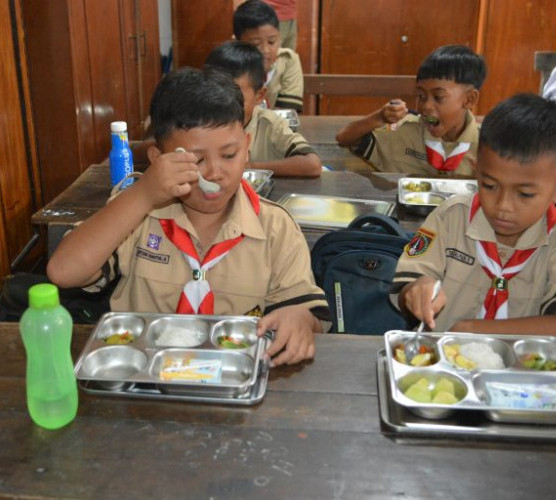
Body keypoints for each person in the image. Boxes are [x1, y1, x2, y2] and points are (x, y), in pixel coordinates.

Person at [47, 67, 329, 365]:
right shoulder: (136, 214)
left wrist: (300, 318)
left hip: (233, 379)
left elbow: (310, 316)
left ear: (246, 148)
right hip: (142, 376)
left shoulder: (275, 227)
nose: (215, 173)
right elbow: (64, 272)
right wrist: (143, 194)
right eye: (195, 160)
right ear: (158, 160)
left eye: (229, 155)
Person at [390, 93, 556, 335]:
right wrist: (417, 289)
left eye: (525, 194)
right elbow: (408, 281)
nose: (503, 206)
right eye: (490, 186)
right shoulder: (450, 217)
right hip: (442, 364)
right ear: (476, 170)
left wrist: (474, 330)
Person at [336, 45, 487, 177]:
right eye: (421, 96)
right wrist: (380, 117)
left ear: (469, 100)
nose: (426, 106)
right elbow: (344, 138)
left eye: (438, 97)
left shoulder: (487, 146)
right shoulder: (406, 131)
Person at [204, 41, 320, 177]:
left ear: (259, 96)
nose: (223, 103)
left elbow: (312, 164)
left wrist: (250, 167)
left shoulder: (268, 124)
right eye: (215, 92)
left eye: (235, 95)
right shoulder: (197, 123)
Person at [234, 0, 303, 112]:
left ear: (280, 37)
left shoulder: (288, 61)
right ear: (238, 42)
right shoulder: (229, 64)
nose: (266, 50)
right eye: (256, 44)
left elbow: (288, 114)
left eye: (271, 42)